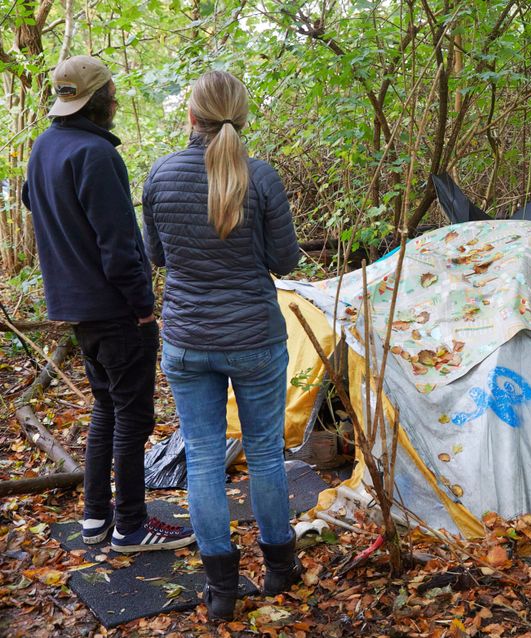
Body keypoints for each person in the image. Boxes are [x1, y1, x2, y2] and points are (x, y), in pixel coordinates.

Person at [142, 70, 302, 621]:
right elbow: (285, 260)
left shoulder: (161, 175)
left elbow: (158, 257)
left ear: (191, 116)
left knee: (205, 458)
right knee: (263, 453)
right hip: (254, 336)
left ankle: (222, 590)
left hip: (188, 339)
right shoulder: (261, 178)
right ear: (243, 116)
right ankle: (281, 566)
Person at [21, 56, 195, 553]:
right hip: (114, 308)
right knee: (134, 417)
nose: (116, 103)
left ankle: (96, 518)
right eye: (113, 95)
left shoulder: (44, 147)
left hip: (74, 307)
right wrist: (143, 306)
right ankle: (132, 526)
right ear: (101, 101)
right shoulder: (96, 156)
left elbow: (36, 202)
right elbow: (119, 245)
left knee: (107, 409)